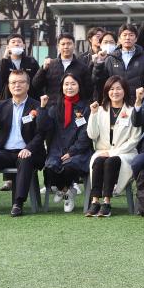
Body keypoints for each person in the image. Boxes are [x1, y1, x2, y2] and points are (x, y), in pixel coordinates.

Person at [0, 70, 44, 217]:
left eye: (21, 82)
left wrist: (29, 148)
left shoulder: (36, 105)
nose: (17, 85)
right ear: (8, 86)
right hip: (6, 151)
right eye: (13, 82)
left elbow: (41, 133)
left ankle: (18, 203)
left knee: (24, 160)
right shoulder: (2, 105)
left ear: (27, 85)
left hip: (28, 151)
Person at [85, 76, 141, 217]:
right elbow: (92, 135)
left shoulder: (132, 111)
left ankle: (107, 202)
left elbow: (135, 139)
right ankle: (95, 201)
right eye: (111, 89)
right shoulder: (100, 110)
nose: (115, 92)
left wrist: (114, 152)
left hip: (126, 152)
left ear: (125, 91)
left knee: (111, 160)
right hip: (102, 150)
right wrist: (93, 114)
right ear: (106, 91)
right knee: (98, 161)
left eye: (118, 88)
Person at [38, 74, 93, 212]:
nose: (69, 87)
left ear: (79, 86)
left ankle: (66, 192)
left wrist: (72, 151)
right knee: (50, 169)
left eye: (73, 84)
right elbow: (43, 127)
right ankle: (66, 190)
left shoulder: (85, 107)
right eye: (66, 84)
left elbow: (85, 134)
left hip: (79, 151)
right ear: (62, 87)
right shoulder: (54, 107)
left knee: (69, 167)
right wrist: (42, 108)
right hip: (57, 150)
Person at [92, 24, 144, 100]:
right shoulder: (110, 59)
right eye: (124, 35)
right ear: (119, 39)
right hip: (115, 102)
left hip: (138, 103)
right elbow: (99, 82)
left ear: (136, 39)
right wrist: (99, 63)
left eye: (131, 35)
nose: (127, 38)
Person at [32, 32, 93, 108]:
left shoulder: (82, 67)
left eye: (69, 44)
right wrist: (43, 69)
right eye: (63, 44)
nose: (66, 47)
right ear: (58, 46)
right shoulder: (50, 65)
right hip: (53, 108)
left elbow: (89, 90)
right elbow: (36, 85)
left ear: (74, 46)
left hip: (75, 109)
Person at [0, 33, 40, 99]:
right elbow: (1, 79)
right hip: (8, 98)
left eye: (19, 42)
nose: (16, 44)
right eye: (13, 42)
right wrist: (5, 57)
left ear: (23, 46)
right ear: (7, 46)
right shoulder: (3, 62)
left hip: (30, 97)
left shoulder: (31, 61)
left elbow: (37, 80)